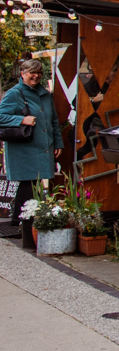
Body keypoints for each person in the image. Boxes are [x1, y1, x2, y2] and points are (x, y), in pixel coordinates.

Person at [0, 59, 63, 244]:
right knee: (28, 187)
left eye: (39, 73)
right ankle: (26, 233)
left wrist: (58, 143)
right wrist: (22, 120)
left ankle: (26, 230)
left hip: (43, 148)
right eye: (31, 72)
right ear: (22, 73)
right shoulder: (14, 93)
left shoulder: (45, 95)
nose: (35, 76)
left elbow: (54, 122)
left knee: (33, 188)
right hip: (24, 149)